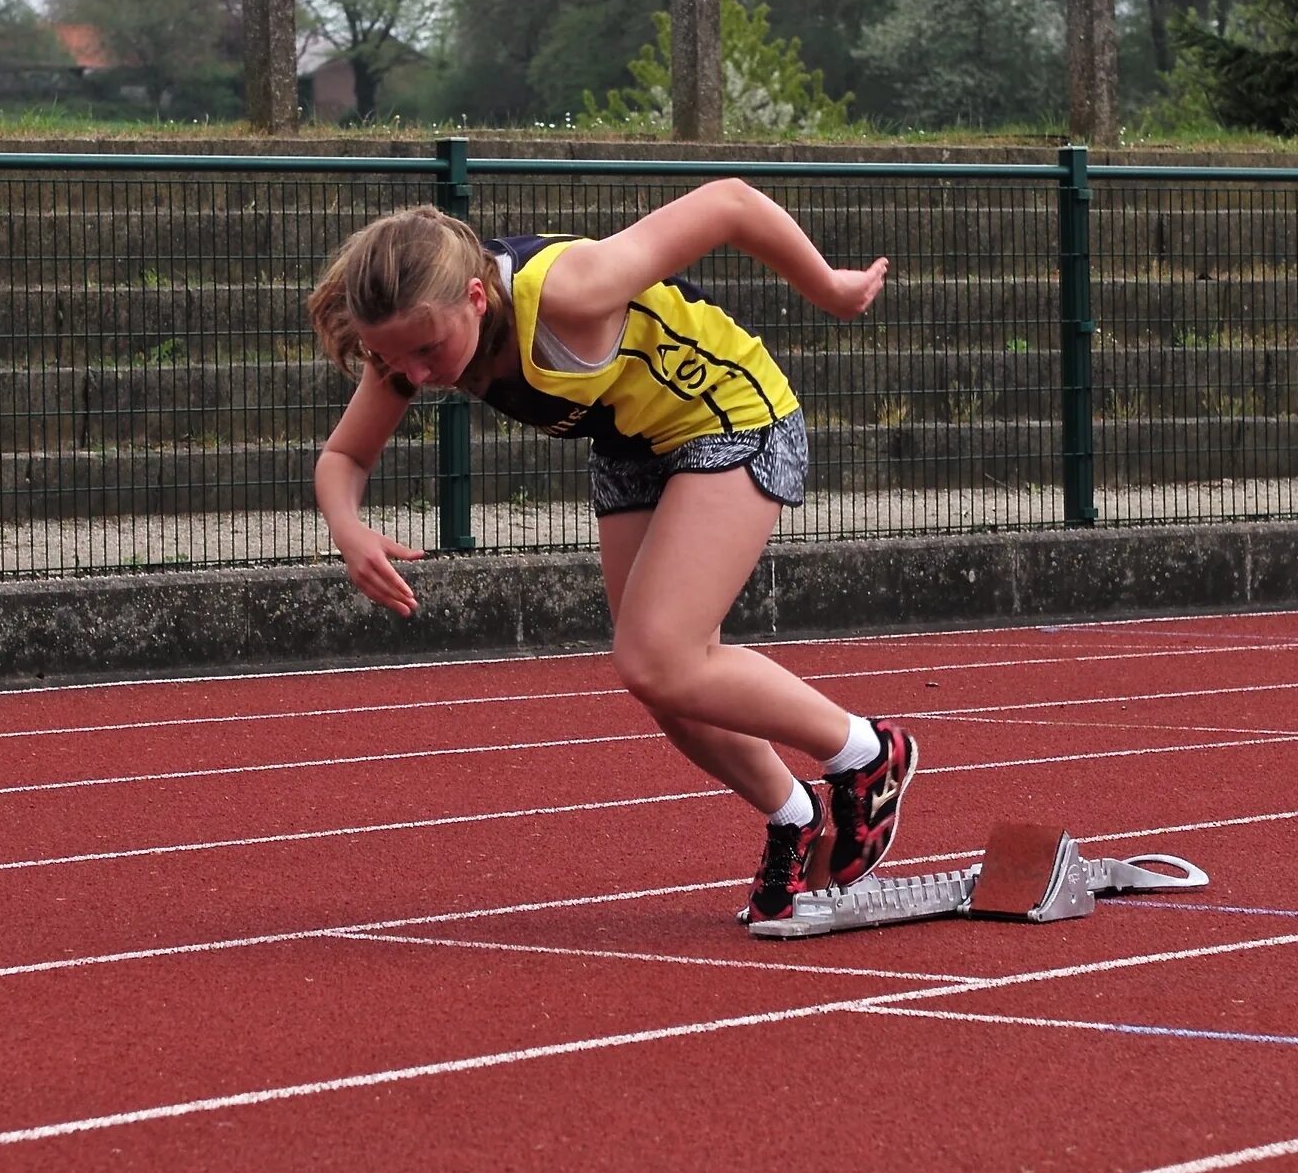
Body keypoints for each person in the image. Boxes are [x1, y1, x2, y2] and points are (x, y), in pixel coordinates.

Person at [305, 181, 923, 926]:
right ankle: (794, 815)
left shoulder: (570, 288)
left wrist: (831, 287)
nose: (417, 376)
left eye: (427, 350)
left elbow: (728, 202)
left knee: (656, 655)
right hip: (633, 442)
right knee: (665, 680)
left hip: (730, 413)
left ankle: (867, 751)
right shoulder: (411, 341)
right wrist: (350, 529)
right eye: (392, 358)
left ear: (476, 295)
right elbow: (344, 456)